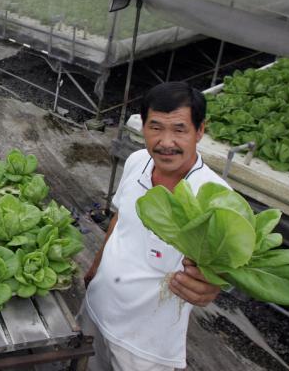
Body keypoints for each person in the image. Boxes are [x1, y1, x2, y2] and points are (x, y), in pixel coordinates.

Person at [79, 82, 229, 371]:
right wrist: (97, 266)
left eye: (179, 129)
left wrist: (212, 285)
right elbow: (120, 219)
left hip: (144, 346)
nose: (166, 142)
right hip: (98, 310)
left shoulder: (215, 196)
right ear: (143, 126)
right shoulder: (138, 161)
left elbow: (220, 270)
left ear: (200, 131)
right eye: (156, 127)